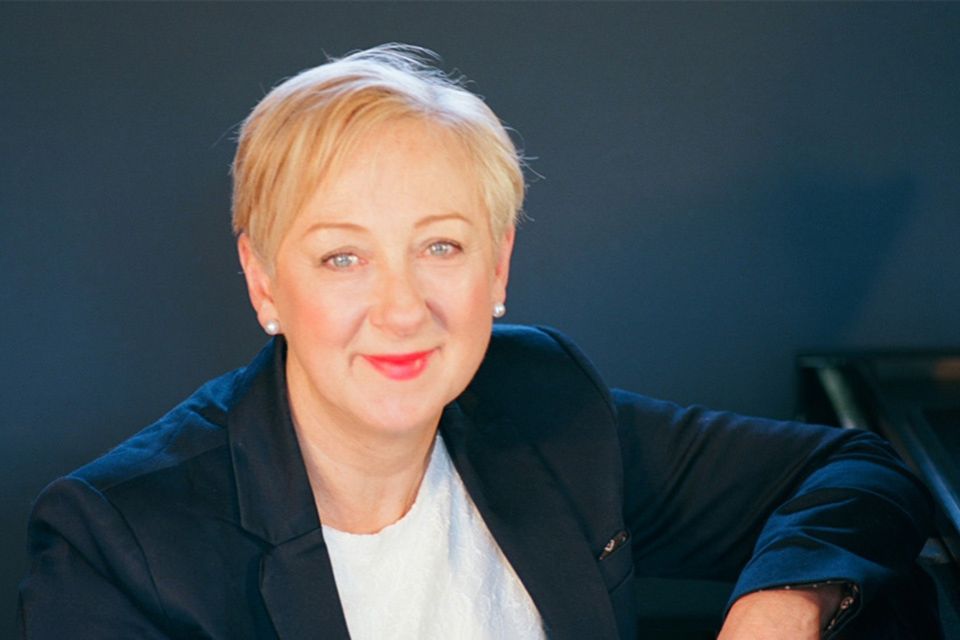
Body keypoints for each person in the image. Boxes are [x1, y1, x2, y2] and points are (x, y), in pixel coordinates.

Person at [18, 44, 940, 640]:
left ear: (497, 268)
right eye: (343, 257)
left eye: (441, 247)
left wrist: (785, 604)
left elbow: (856, 471)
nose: (403, 306)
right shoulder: (121, 546)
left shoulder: (541, 404)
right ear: (265, 281)